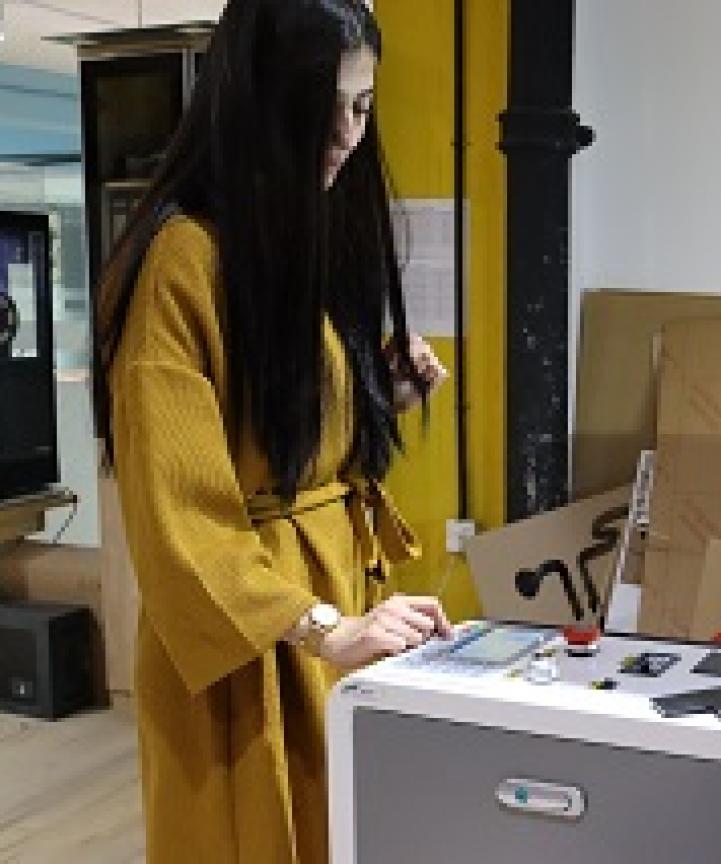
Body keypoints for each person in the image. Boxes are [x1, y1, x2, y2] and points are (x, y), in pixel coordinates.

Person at [91, 1, 452, 861]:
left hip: (325, 604)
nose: (343, 135)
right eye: (316, 110)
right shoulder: (180, 260)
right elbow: (179, 514)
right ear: (253, 106)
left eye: (361, 108)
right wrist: (320, 626)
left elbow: (282, 429)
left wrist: (372, 396)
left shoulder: (296, 234)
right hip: (248, 633)